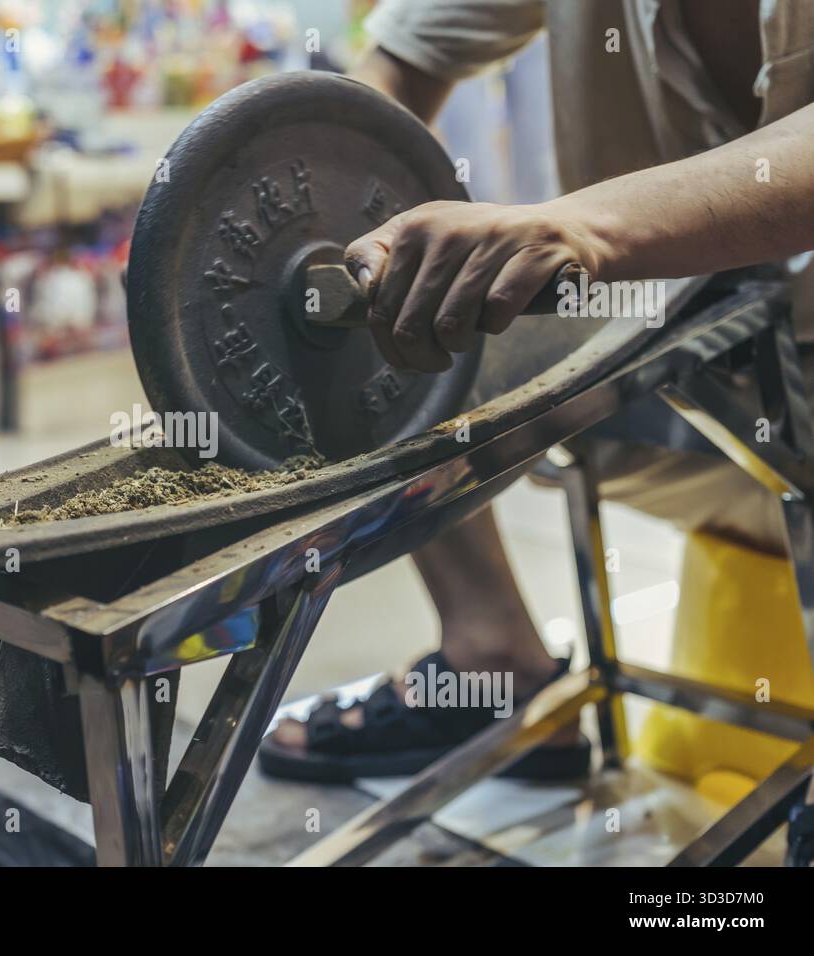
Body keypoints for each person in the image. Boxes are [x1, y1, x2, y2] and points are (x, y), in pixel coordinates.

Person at [259, 0, 814, 811]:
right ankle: (495, 658)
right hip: (671, 356)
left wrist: (582, 228)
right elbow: (388, 82)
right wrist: (308, 227)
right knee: (377, 351)